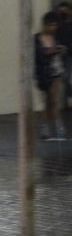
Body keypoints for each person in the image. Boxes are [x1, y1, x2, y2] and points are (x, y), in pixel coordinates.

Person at [35, 11, 66, 140]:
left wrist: (60, 50)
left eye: (55, 25)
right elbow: (38, 55)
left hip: (56, 72)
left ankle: (59, 129)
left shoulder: (55, 37)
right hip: (45, 73)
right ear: (46, 25)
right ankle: (45, 129)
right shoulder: (38, 38)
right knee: (47, 103)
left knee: (54, 102)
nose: (54, 27)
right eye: (51, 25)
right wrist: (50, 52)